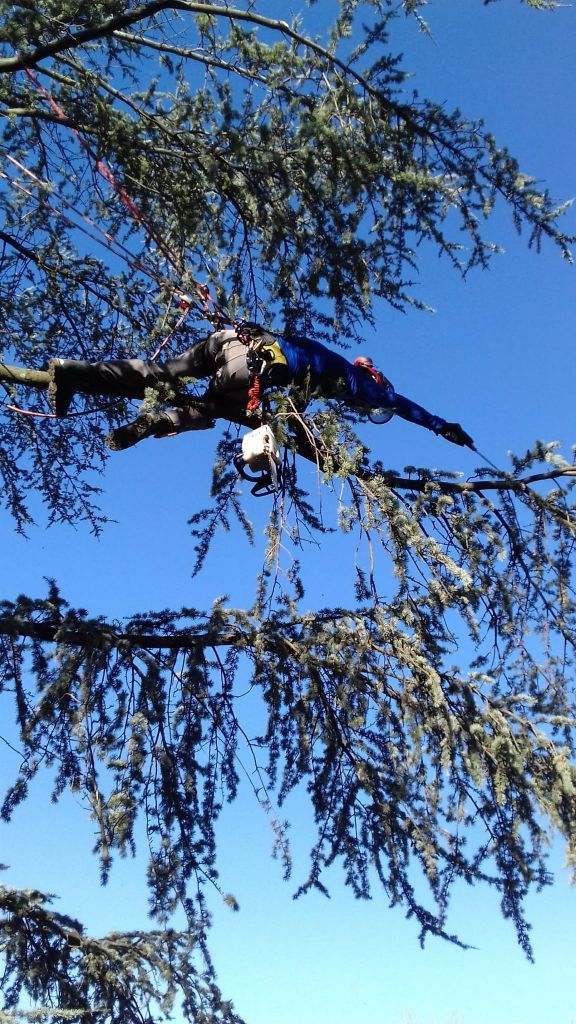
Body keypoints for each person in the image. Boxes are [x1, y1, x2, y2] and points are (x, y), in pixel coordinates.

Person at [47, 324, 474, 451]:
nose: (368, 408)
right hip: (251, 368)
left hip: (235, 339)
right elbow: (402, 405)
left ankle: (73, 371)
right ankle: (155, 423)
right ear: (374, 379)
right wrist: (442, 426)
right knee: (207, 411)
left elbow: (295, 401)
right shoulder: (358, 384)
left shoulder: (325, 361)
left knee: (162, 372)